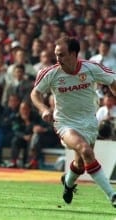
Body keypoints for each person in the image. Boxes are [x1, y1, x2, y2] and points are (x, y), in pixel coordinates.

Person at [30, 36, 116, 207]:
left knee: (81, 163)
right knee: (86, 150)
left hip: (89, 122)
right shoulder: (51, 73)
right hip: (65, 123)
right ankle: (112, 196)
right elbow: (35, 94)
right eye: (56, 54)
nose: (57, 59)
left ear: (74, 53)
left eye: (61, 55)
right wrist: (44, 109)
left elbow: (113, 82)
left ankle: (68, 184)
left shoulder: (91, 68)